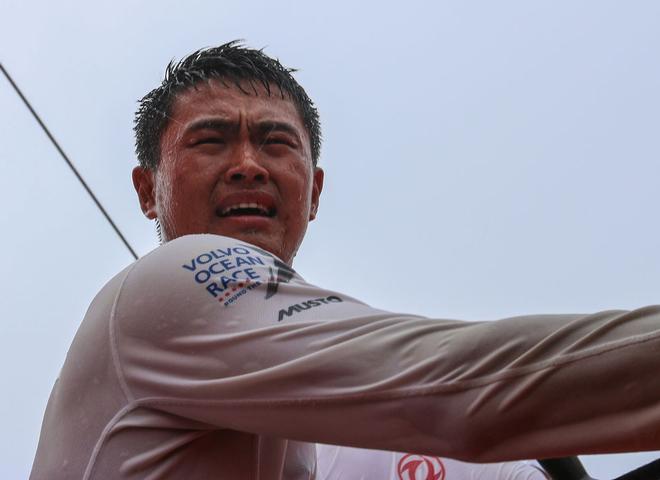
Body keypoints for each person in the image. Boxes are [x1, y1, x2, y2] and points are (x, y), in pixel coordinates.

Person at [29, 41, 660, 480]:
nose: (248, 163)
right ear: (148, 190)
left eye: (276, 142)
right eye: (211, 139)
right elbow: (460, 390)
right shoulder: (164, 289)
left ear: (315, 189)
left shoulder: (312, 431)